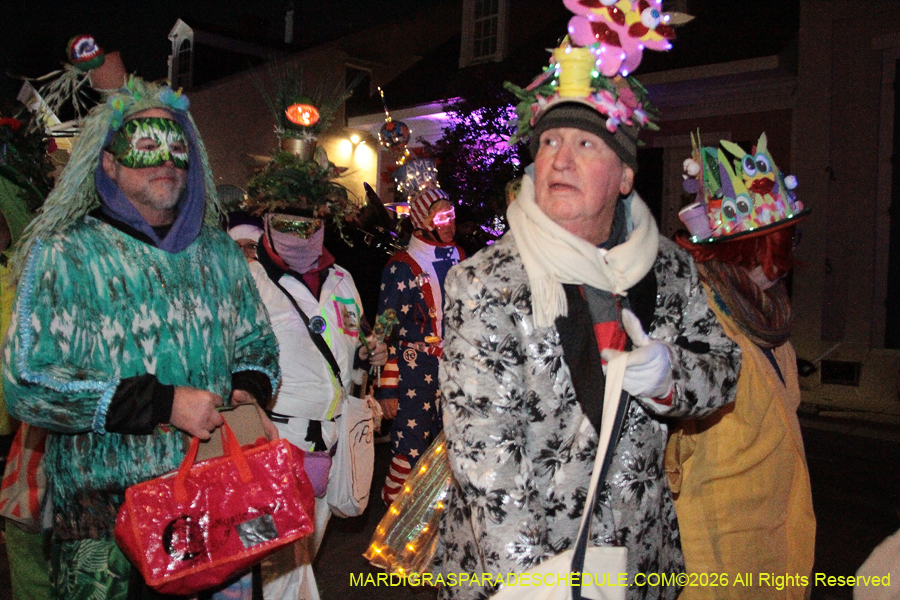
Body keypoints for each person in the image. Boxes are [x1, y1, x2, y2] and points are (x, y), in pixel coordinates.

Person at [436, 44, 741, 600]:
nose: (559, 158)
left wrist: (672, 377)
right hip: (527, 568)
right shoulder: (486, 282)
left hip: (638, 561)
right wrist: (535, 586)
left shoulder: (669, 268)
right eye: (549, 141)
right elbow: (487, 459)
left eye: (584, 143)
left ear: (624, 175)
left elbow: (725, 370)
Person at [1, 77, 281, 600]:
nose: (165, 161)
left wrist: (248, 385)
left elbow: (257, 345)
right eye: (144, 145)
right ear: (108, 162)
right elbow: (27, 382)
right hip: (106, 524)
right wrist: (160, 402)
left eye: (177, 147)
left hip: (218, 502)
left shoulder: (219, 253)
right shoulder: (66, 255)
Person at [667, 136, 815, 599]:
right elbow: (666, 452)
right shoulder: (701, 322)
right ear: (732, 253)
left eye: (783, 250)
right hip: (716, 545)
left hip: (777, 538)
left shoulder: (771, 321)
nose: (778, 268)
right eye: (765, 254)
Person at [245, 205, 387, 600]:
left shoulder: (342, 280)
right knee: (278, 564)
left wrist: (373, 353)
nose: (300, 236)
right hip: (275, 438)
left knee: (305, 551)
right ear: (269, 224)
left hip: (332, 440)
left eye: (311, 226)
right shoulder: (252, 281)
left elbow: (354, 339)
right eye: (288, 225)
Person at [376, 186, 463, 505]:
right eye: (441, 216)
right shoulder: (402, 264)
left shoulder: (462, 257)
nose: (449, 223)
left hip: (455, 367)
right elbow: (385, 327)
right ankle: (395, 519)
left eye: (451, 214)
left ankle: (439, 519)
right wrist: (386, 385)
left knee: (453, 444)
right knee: (410, 447)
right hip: (415, 368)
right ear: (423, 221)